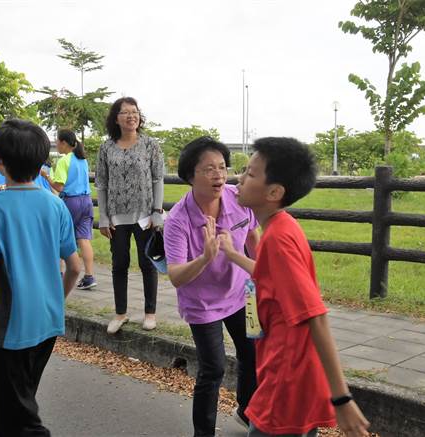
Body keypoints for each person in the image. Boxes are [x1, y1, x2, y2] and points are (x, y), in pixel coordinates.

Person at [229, 137, 370, 437]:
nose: (239, 178)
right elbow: (271, 280)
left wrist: (342, 397)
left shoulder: (278, 239)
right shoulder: (282, 227)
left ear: (274, 192)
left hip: (286, 374)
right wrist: (235, 253)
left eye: (251, 174)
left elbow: (314, 314)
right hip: (286, 368)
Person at [0, 119, 81, 437]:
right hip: (48, 324)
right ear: (41, 163)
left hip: (13, 329)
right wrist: (54, 302)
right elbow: (75, 268)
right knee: (20, 406)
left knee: (17, 422)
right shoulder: (56, 206)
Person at [163, 136, 259, 436]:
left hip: (245, 293)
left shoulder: (237, 198)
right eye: (208, 169)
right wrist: (205, 258)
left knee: (254, 353)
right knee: (213, 369)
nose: (219, 175)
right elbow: (176, 276)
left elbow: (254, 237)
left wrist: (262, 274)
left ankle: (246, 411)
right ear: (190, 175)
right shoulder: (178, 220)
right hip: (203, 304)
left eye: (222, 167)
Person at [96, 97, 165, 333]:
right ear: (116, 118)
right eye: (125, 112)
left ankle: (150, 313)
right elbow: (102, 184)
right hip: (117, 218)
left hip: (145, 216)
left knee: (147, 263)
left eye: (134, 112)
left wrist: (157, 212)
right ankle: (120, 313)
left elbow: (158, 179)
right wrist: (103, 217)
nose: (131, 116)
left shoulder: (150, 145)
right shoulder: (106, 148)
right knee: (119, 264)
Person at [43, 129, 96, 289]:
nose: (56, 145)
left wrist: (46, 176)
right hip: (86, 201)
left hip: (71, 202)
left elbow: (59, 187)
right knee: (84, 239)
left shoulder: (64, 161)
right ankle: (89, 276)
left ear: (64, 143)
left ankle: (57, 276)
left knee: (59, 237)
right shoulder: (82, 159)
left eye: (57, 141)